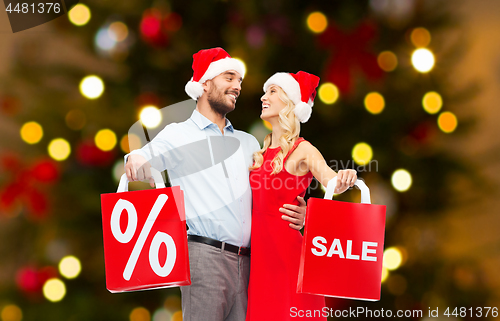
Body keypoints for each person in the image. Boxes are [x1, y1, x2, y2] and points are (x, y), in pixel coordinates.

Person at [124, 48, 306, 321]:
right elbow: (145, 155)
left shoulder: (249, 143)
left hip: (251, 265)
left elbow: (269, 196)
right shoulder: (179, 135)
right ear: (205, 83)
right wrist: (136, 157)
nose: (237, 86)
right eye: (229, 77)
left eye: (240, 81)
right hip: (205, 257)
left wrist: (300, 213)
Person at [246, 71, 357, 320]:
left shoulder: (302, 149)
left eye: (273, 91)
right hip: (258, 262)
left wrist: (346, 177)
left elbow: (332, 181)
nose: (264, 97)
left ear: (289, 102)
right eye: (266, 91)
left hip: (287, 258)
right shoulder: (258, 153)